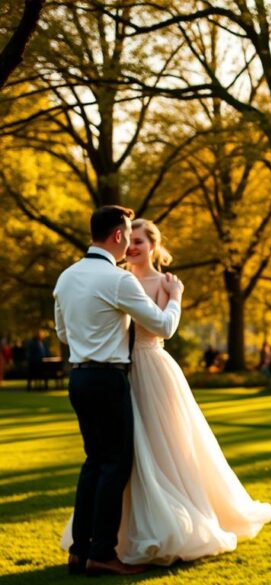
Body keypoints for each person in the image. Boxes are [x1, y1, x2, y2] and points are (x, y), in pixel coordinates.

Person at [59, 218, 271, 566]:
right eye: (131, 239)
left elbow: (161, 329)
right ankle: (104, 544)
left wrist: (173, 296)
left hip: (149, 370)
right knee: (116, 460)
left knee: (148, 450)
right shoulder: (116, 280)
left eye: (140, 241)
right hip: (118, 373)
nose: (133, 246)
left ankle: (97, 546)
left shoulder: (151, 281)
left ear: (154, 246)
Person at [53, 206, 183, 576]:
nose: (128, 240)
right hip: (109, 379)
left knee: (93, 462)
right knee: (114, 465)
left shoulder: (66, 277)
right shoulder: (118, 280)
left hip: (78, 378)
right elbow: (163, 326)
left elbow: (63, 334)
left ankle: (79, 550)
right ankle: (103, 552)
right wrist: (174, 297)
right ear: (117, 235)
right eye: (127, 233)